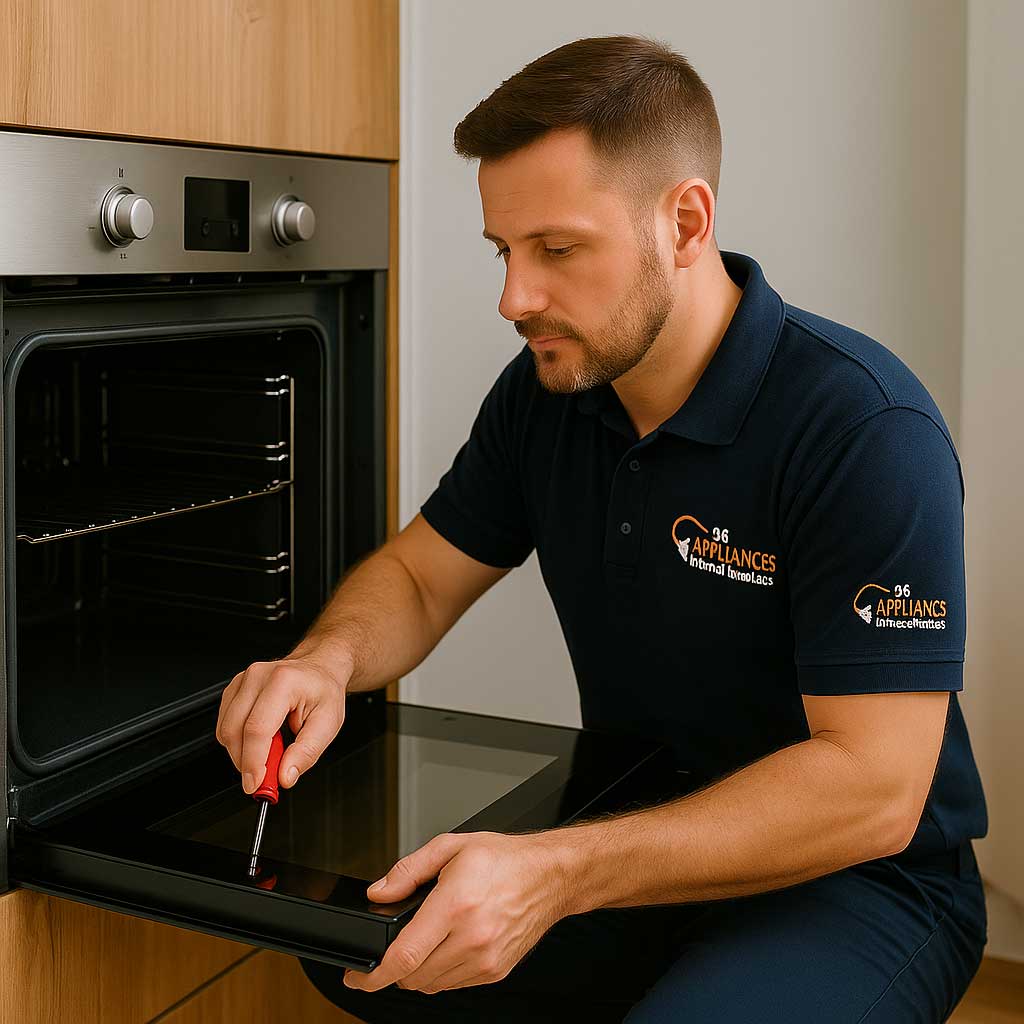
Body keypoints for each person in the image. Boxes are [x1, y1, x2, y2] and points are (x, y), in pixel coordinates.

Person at [215, 34, 988, 1023]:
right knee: (353, 933)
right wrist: (324, 660)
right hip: (632, 838)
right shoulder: (547, 393)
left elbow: (873, 789)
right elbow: (417, 578)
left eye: (556, 249)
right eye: (505, 251)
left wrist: (555, 872)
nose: (513, 298)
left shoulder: (864, 427)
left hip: (861, 881)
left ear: (686, 221)